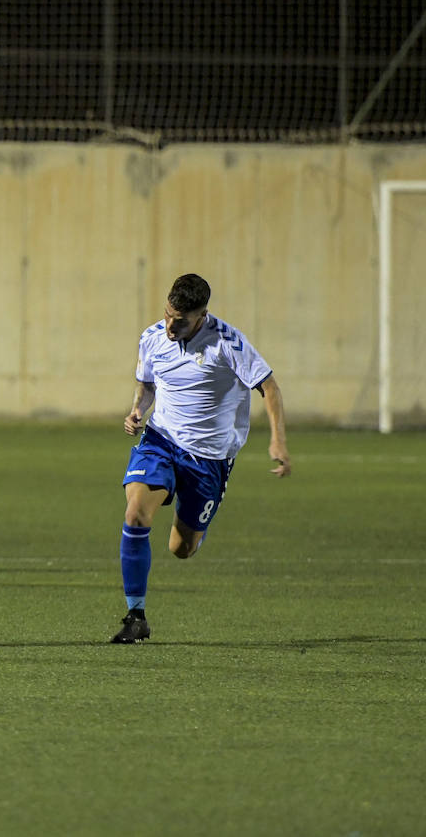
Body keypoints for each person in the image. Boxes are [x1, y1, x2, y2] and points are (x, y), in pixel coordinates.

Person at [112, 273, 290, 643]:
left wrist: (278, 442)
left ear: (202, 316)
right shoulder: (152, 337)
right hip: (161, 439)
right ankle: (136, 616)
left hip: (208, 458)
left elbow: (269, 386)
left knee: (181, 548)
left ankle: (196, 528)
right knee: (135, 514)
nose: (170, 325)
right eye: (167, 315)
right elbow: (147, 381)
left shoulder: (227, 343)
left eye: (180, 320)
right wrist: (137, 411)